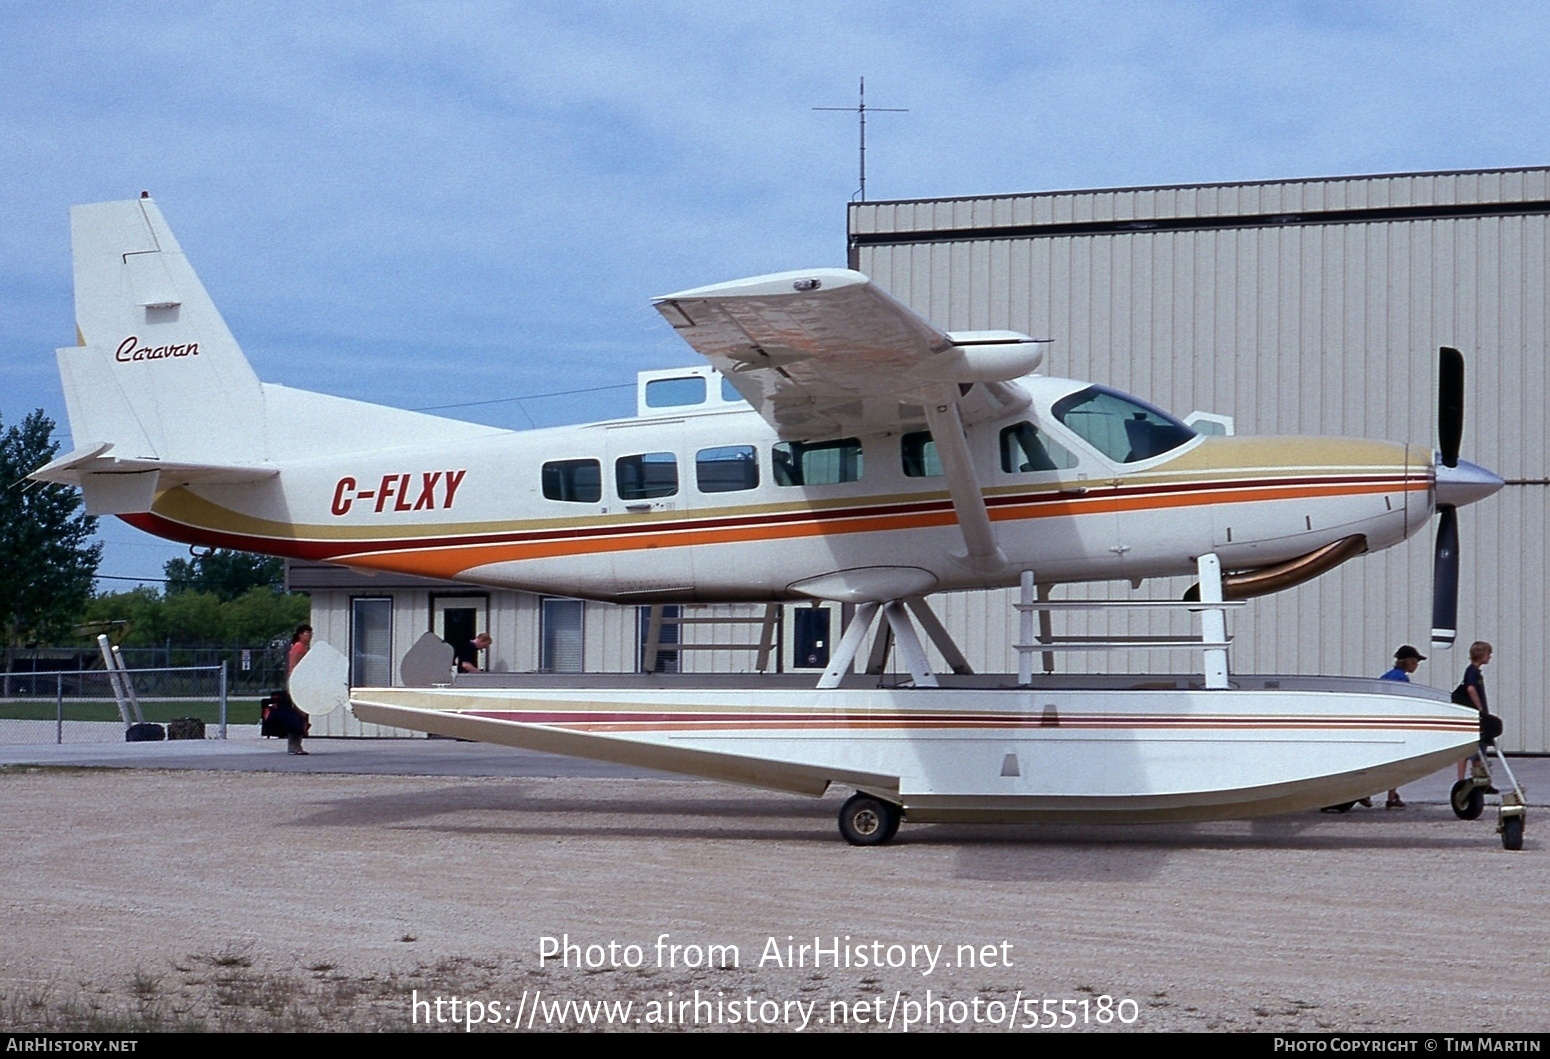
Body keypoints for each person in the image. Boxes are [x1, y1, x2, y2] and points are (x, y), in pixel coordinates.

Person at [1375, 645, 1427, 808]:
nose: (1417, 665)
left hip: (1380, 723)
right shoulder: (1403, 679)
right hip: (1395, 725)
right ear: (1409, 662)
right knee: (1396, 763)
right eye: (1416, 661)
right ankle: (1391, 797)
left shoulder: (1386, 676)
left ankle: (1367, 794)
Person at [1455, 641, 1497, 783]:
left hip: (1478, 715)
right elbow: (1471, 688)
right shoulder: (1472, 671)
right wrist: (1479, 708)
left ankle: (1478, 778)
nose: (1489, 657)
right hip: (1474, 715)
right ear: (1481, 655)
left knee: (1480, 748)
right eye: (1488, 654)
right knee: (1468, 748)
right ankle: (1461, 780)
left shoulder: (1476, 672)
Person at [280, 624, 313, 755]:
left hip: (299, 682)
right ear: (300, 634)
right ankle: (294, 746)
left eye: (310, 633)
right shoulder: (299, 647)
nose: (309, 636)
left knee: (302, 714)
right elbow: (297, 666)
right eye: (306, 633)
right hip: (297, 682)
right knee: (298, 714)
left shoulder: (302, 647)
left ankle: (296, 744)